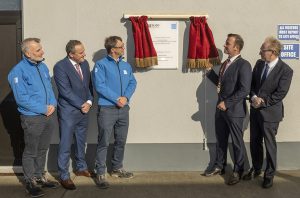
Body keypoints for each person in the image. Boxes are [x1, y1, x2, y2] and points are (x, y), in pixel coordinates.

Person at [8, 38, 58, 197]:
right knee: (31, 151)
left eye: (41, 49)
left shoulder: (42, 67)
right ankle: (30, 181)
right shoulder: (17, 71)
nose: (42, 52)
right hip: (33, 118)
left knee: (43, 148)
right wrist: (43, 109)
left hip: (48, 116)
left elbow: (49, 89)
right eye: (38, 50)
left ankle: (39, 176)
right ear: (27, 53)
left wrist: (52, 104)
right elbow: (21, 98)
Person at [243, 37, 293, 188]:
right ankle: (257, 169)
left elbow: (280, 93)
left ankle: (269, 174)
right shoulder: (259, 64)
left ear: (272, 52)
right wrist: (253, 96)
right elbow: (252, 85)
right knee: (255, 142)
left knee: (270, 144)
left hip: (270, 114)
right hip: (256, 111)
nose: (259, 52)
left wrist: (263, 101)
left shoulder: (286, 70)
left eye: (262, 50)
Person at [204, 34, 252, 185]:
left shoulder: (244, 65)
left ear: (236, 47)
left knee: (237, 142)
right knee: (221, 139)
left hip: (234, 111)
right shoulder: (226, 63)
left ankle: (239, 170)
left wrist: (227, 103)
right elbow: (221, 84)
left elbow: (244, 90)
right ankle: (219, 165)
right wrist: (211, 72)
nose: (225, 46)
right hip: (220, 109)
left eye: (227, 44)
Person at [92, 36, 137, 189]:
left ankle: (117, 168)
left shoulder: (125, 65)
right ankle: (100, 172)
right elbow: (100, 85)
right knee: (103, 141)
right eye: (121, 46)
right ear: (113, 50)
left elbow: (133, 82)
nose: (123, 48)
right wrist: (116, 98)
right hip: (107, 109)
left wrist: (125, 97)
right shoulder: (100, 65)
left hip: (123, 109)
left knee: (121, 140)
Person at [54, 40, 93, 190]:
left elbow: (87, 86)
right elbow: (65, 91)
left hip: (84, 110)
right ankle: (64, 175)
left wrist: (89, 101)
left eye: (84, 50)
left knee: (80, 141)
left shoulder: (85, 64)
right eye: (81, 52)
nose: (85, 54)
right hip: (68, 111)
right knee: (65, 143)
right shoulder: (60, 67)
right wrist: (81, 104)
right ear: (71, 54)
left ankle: (81, 167)